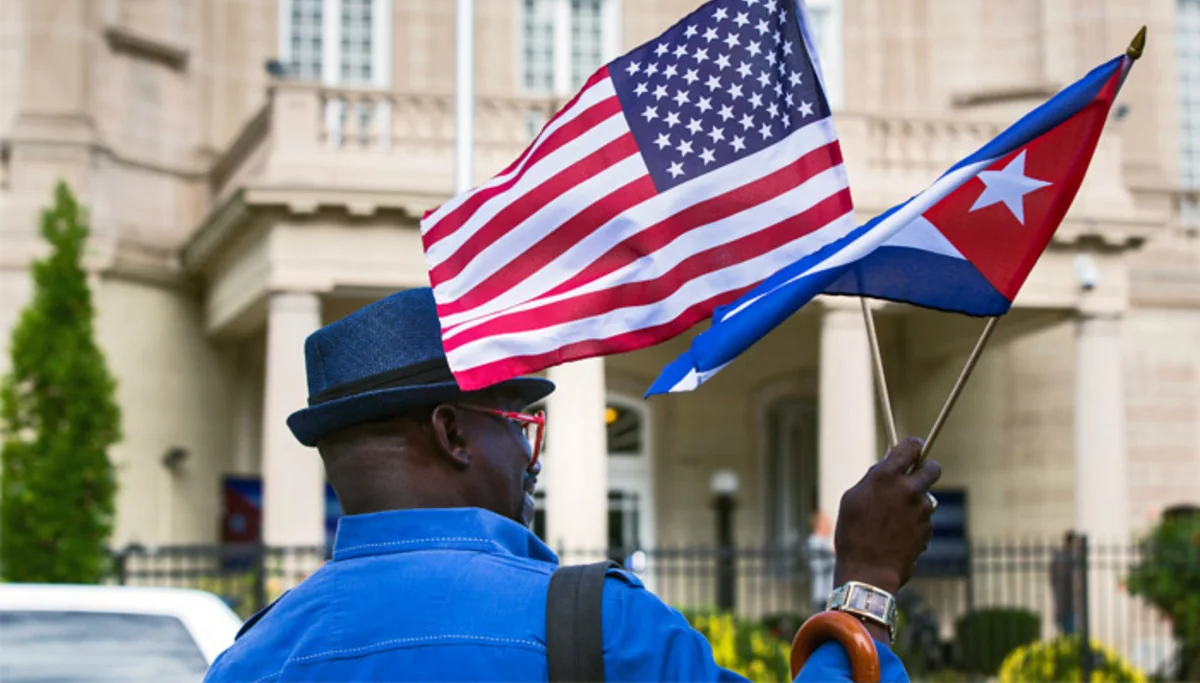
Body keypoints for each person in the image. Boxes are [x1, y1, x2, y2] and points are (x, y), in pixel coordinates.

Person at [204, 288, 942, 682]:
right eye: (518, 424)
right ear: (452, 433)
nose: (532, 459)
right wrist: (866, 584)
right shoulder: (596, 626)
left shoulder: (253, 658)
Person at [805, 511, 836, 616]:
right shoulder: (814, 543)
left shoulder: (825, 543)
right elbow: (817, 566)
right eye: (826, 522)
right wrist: (832, 557)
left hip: (829, 593)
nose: (830, 525)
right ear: (819, 525)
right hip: (822, 593)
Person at [1050, 530, 1079, 635]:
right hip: (1067, 605)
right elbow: (1062, 583)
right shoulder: (1065, 558)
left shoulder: (1067, 558)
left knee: (1070, 635)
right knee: (1070, 635)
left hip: (1068, 605)